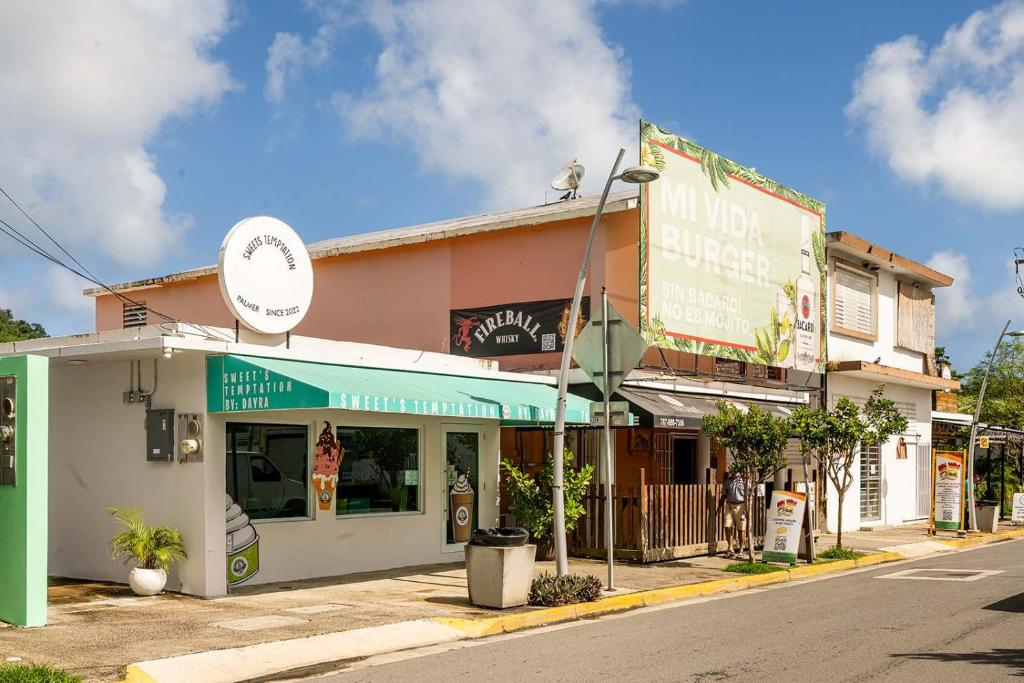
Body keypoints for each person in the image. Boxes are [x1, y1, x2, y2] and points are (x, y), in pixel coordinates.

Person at [718, 467, 746, 559]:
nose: (733, 472)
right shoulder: (728, 481)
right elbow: (724, 494)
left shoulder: (744, 481)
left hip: (741, 506)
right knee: (727, 526)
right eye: (731, 471)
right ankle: (730, 549)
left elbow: (749, 495)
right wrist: (719, 506)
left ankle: (741, 549)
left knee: (741, 528)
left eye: (734, 470)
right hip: (729, 505)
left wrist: (747, 508)